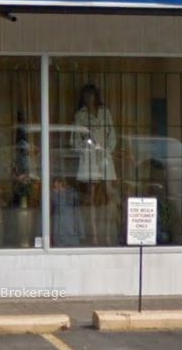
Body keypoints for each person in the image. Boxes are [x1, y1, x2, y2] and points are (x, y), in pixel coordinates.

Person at [71, 84, 117, 245]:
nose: (89, 98)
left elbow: (112, 135)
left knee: (109, 194)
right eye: (86, 95)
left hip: (104, 156)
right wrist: (86, 148)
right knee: (91, 196)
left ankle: (108, 232)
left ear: (96, 96)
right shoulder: (80, 116)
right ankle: (94, 235)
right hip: (89, 158)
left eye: (92, 94)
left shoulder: (105, 112)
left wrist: (106, 150)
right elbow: (74, 141)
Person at [51, 177, 83, 246]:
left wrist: (81, 234)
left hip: (69, 229)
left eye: (58, 187)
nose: (56, 190)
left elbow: (78, 215)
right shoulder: (52, 195)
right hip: (59, 229)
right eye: (55, 188)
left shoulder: (71, 194)